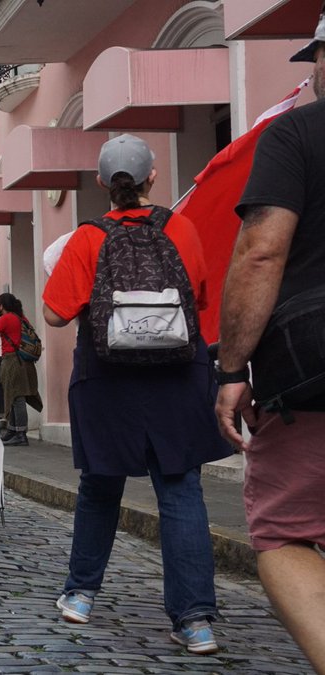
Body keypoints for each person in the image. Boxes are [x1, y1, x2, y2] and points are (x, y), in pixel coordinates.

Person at [43, 135, 230, 654]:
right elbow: (202, 297)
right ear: (152, 178)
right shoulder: (182, 228)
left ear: (102, 183)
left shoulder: (87, 239)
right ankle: (194, 620)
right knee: (179, 487)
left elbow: (56, 314)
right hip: (177, 376)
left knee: (99, 486)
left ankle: (80, 595)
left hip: (107, 378)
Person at [215, 24, 325, 671]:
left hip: (311, 377)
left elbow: (261, 251)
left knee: (286, 529)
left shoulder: (297, 135)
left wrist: (232, 368)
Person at [0, 292, 42, 446]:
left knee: (16, 397)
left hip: (12, 361)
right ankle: (12, 430)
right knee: (14, 396)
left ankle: (20, 433)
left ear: (3, 305)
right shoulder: (21, 318)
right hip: (23, 361)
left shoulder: (7, 318)